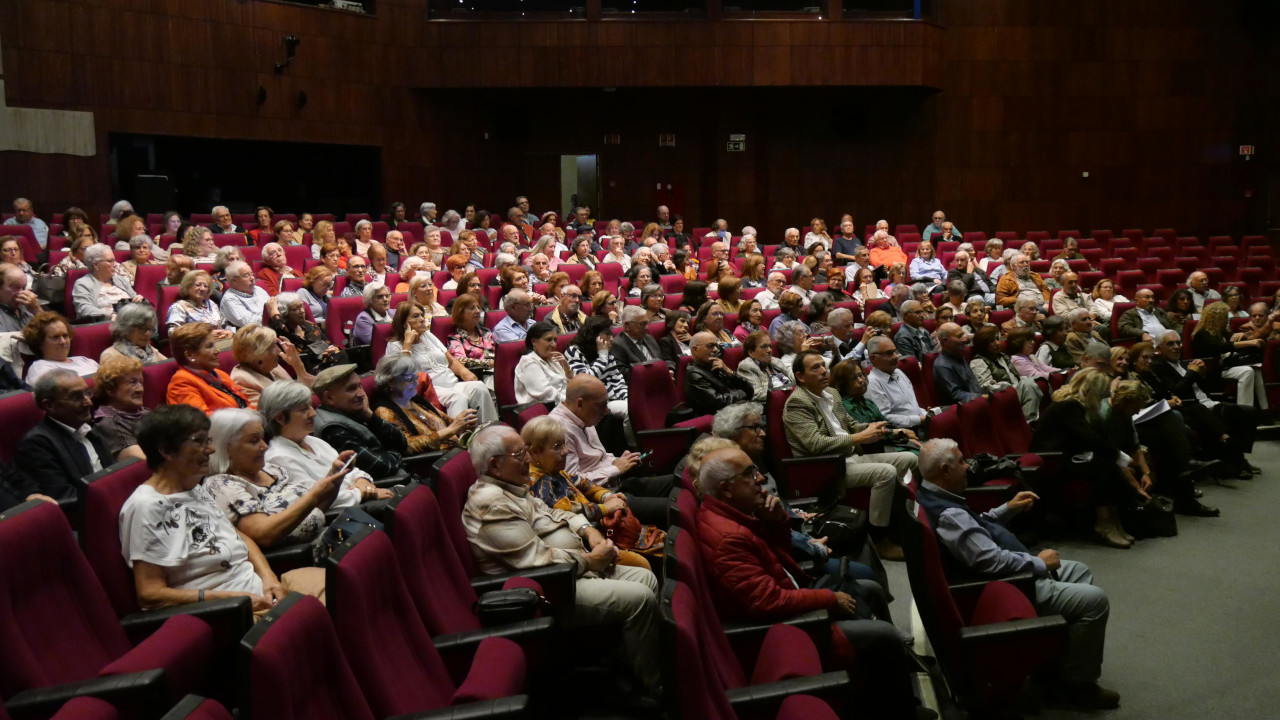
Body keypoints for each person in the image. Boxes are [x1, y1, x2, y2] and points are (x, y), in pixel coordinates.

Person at [694, 446, 932, 719]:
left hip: (793, 593)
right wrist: (830, 599)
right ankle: (900, 711)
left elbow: (776, 558)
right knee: (883, 635)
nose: (760, 479)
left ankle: (895, 686)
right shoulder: (727, 539)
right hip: (786, 626)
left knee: (872, 589)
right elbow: (768, 601)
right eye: (749, 474)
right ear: (726, 489)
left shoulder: (735, 513)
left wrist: (777, 521)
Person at [915, 439, 1119, 710]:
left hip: (1008, 573)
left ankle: (1055, 669)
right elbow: (990, 561)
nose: (968, 467)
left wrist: (1006, 509)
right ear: (945, 470)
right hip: (1006, 583)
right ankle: (1078, 687)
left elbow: (975, 531)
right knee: (1095, 600)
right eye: (962, 461)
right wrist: (1038, 565)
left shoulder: (936, 496)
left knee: (1078, 570)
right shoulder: (950, 513)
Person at [462, 425, 662, 695]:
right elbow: (537, 560)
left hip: (570, 571)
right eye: (520, 454)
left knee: (646, 577)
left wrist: (589, 531)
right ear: (495, 464)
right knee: (641, 599)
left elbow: (554, 514)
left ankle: (625, 662)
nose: (528, 459)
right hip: (548, 589)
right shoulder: (492, 504)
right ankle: (651, 687)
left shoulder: (511, 487)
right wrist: (591, 560)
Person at [119, 405, 326, 612]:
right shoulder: (146, 507)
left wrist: (269, 579)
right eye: (198, 442)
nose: (210, 450)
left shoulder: (193, 487)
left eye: (207, 441)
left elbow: (240, 537)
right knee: (320, 611)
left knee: (343, 583)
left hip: (262, 588)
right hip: (230, 611)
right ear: (165, 450)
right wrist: (233, 598)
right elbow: (150, 595)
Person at [783, 351, 917, 560]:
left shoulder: (831, 394)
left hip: (850, 456)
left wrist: (872, 429)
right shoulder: (797, 403)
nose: (823, 371)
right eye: (815, 368)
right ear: (800, 376)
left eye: (823, 365)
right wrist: (859, 438)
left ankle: (905, 523)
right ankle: (880, 540)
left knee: (910, 459)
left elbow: (850, 425)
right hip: (827, 467)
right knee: (886, 472)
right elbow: (814, 444)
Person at [203, 407, 349, 559]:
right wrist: (313, 495)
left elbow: (316, 508)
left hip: (330, 536)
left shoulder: (271, 469)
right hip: (302, 558)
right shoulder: (222, 486)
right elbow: (265, 535)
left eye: (262, 438)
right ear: (227, 448)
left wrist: (334, 478)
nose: (264, 447)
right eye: (254, 441)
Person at [524, 416, 664, 568]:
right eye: (557, 446)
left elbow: (583, 483)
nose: (566, 451)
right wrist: (607, 508)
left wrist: (607, 496)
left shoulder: (553, 470)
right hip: (587, 542)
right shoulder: (538, 484)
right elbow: (568, 511)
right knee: (645, 561)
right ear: (535, 452)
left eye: (564, 444)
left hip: (601, 527)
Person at [1031, 369, 1141, 548]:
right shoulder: (1069, 405)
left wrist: (1115, 456)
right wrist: (1119, 455)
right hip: (1050, 460)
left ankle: (1113, 520)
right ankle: (1104, 522)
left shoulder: (1073, 404)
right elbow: (1087, 437)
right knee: (1100, 467)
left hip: (1066, 455)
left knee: (1105, 464)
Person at [548, 375, 674, 523]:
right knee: (675, 508)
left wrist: (619, 461)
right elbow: (572, 483)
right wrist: (615, 469)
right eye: (601, 405)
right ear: (580, 404)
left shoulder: (582, 417)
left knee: (683, 479)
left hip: (617, 485)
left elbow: (599, 457)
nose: (607, 410)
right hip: (602, 500)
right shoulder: (559, 430)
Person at [1145, 330, 1261, 479]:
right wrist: (1193, 373)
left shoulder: (1185, 364)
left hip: (1209, 402)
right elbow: (1175, 391)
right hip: (1191, 408)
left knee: (1250, 411)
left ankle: (1237, 457)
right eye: (1170, 344)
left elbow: (1208, 388)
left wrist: (1203, 373)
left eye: (1178, 343)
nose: (1176, 347)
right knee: (1235, 414)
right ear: (1159, 349)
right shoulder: (1159, 366)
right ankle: (1236, 460)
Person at [259, 380, 387, 507]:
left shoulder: (314, 441)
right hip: (343, 515)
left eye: (310, 406)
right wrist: (361, 493)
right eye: (304, 409)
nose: (313, 413)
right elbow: (315, 499)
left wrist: (362, 481)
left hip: (362, 501)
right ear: (280, 418)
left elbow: (353, 471)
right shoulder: (278, 458)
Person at [386, 301, 498, 423]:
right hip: (430, 390)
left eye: (422, 315)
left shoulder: (428, 336)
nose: (422, 319)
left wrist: (464, 372)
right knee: (458, 398)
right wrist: (407, 344)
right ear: (404, 323)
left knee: (479, 387)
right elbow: (401, 377)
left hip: (452, 384)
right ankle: (457, 438)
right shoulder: (395, 346)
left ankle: (490, 429)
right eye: (415, 316)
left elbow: (451, 361)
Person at [13, 369, 109, 502]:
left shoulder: (87, 428)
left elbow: (112, 472)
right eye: (76, 397)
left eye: (87, 393)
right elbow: (63, 496)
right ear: (49, 405)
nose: (89, 402)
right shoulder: (37, 444)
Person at [309, 364, 408, 483]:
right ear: (329, 397)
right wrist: (396, 453)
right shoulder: (333, 429)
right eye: (351, 389)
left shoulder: (352, 410)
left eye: (360, 386)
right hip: (387, 487)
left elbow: (401, 442)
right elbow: (381, 467)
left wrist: (369, 415)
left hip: (400, 475)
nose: (361, 394)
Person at [370, 353, 476, 453]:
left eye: (416, 377)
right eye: (410, 378)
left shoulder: (415, 400)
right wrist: (450, 430)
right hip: (436, 461)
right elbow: (408, 445)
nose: (416, 382)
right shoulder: (384, 411)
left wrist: (464, 422)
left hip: (454, 451)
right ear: (391, 382)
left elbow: (446, 420)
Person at [1191, 302, 1268, 409]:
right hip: (1213, 371)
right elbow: (1221, 347)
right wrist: (1249, 342)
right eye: (1225, 317)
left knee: (1256, 370)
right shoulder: (1202, 334)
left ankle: (1265, 409)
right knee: (1247, 371)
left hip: (1227, 366)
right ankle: (1244, 411)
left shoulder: (1223, 332)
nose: (1228, 320)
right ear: (1217, 318)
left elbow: (1234, 343)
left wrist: (1244, 336)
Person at [167, 322, 250, 412]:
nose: (217, 351)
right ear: (190, 355)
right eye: (210, 346)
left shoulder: (219, 374)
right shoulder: (181, 384)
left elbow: (246, 405)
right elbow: (201, 422)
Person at [229, 323, 313, 407]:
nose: (278, 350)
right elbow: (269, 414)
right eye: (273, 346)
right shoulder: (241, 380)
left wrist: (298, 366)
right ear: (257, 354)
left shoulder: (271, 367)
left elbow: (307, 394)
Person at [969, 326, 1042, 421]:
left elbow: (1014, 377)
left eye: (997, 339)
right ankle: (1028, 422)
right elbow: (986, 386)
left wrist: (1021, 381)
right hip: (1000, 396)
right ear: (983, 344)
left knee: (1029, 383)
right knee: (1029, 385)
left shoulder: (1003, 356)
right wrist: (1007, 386)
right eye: (992, 341)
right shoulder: (978, 362)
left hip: (1013, 391)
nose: (997, 343)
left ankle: (1029, 422)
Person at [564, 316, 629, 418]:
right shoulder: (573, 351)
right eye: (607, 334)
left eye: (611, 334)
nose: (611, 339)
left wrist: (627, 397)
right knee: (631, 410)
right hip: (596, 401)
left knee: (637, 405)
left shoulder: (606, 349)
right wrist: (602, 357)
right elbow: (585, 382)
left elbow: (617, 379)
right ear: (594, 335)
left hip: (615, 398)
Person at [863, 336, 928, 429]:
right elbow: (884, 418)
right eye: (889, 354)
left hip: (921, 424)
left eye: (895, 351)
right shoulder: (873, 383)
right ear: (873, 358)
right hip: (903, 434)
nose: (896, 356)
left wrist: (926, 414)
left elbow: (910, 406)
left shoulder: (898, 372)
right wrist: (920, 419)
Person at [684, 331, 754, 415]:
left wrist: (730, 372)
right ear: (695, 349)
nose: (716, 349)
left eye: (716, 345)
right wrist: (743, 392)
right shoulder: (694, 374)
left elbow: (750, 388)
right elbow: (720, 403)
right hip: (718, 420)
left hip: (735, 412)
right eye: (710, 346)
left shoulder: (716, 366)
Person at [22, 311, 99, 384]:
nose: (63, 341)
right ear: (39, 342)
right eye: (55, 337)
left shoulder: (84, 360)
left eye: (65, 336)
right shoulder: (39, 368)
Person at [73, 244, 145, 322]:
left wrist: (138, 299)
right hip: (108, 324)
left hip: (132, 318)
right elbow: (84, 309)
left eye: (114, 260)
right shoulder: (83, 284)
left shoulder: (120, 279)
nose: (115, 264)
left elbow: (134, 297)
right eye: (110, 261)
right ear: (96, 265)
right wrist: (110, 315)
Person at [514, 321, 573, 404]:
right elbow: (546, 396)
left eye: (555, 340)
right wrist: (572, 403)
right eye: (549, 340)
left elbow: (569, 385)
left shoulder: (552, 358)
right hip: (546, 411)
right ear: (534, 341)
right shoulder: (528, 362)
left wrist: (566, 368)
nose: (553, 344)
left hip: (564, 404)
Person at [933, 322, 984, 405]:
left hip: (977, 402)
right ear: (945, 341)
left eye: (963, 334)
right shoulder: (942, 365)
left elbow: (972, 384)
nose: (965, 339)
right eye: (959, 336)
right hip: (963, 410)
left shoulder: (958, 354)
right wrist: (981, 397)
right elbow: (955, 395)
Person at [611, 305, 668, 377]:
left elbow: (662, 359)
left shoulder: (649, 338)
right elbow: (622, 373)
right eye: (642, 324)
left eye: (647, 323)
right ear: (627, 325)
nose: (646, 327)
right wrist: (652, 372)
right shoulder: (617, 345)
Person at [100, 303, 167, 364]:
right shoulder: (110, 356)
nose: (148, 333)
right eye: (142, 329)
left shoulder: (150, 350)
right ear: (125, 328)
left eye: (150, 329)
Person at [736, 330, 793, 401]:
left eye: (770, 346)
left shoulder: (776, 361)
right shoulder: (746, 366)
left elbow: (793, 380)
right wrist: (785, 389)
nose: (769, 350)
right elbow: (757, 394)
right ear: (751, 352)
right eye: (764, 346)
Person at [220, 261, 273, 329]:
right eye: (246, 275)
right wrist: (273, 315)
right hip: (251, 334)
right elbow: (249, 323)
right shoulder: (229, 299)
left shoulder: (258, 290)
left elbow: (272, 307)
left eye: (252, 274)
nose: (252, 278)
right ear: (234, 281)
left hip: (270, 328)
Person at [0, 262, 41, 334]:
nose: (21, 293)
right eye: (15, 288)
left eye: (24, 287)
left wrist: (37, 310)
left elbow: (54, 334)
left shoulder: (29, 307)